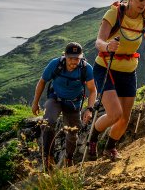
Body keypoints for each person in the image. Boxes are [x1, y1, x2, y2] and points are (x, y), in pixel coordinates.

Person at [87, 0, 145, 161]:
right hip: (106, 67)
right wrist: (107, 46)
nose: (144, 4)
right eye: (141, 0)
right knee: (115, 113)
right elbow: (98, 42)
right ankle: (93, 138)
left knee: (125, 118)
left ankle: (110, 148)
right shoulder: (114, 13)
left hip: (128, 71)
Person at [31, 41, 96, 170]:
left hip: (74, 102)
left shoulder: (86, 68)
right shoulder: (55, 64)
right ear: (65, 56)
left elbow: (93, 90)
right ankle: (48, 157)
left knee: (72, 133)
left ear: (81, 57)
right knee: (48, 122)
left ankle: (69, 158)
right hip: (55, 98)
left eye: (77, 59)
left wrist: (89, 109)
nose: (73, 61)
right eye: (70, 58)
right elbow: (42, 81)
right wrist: (35, 102)